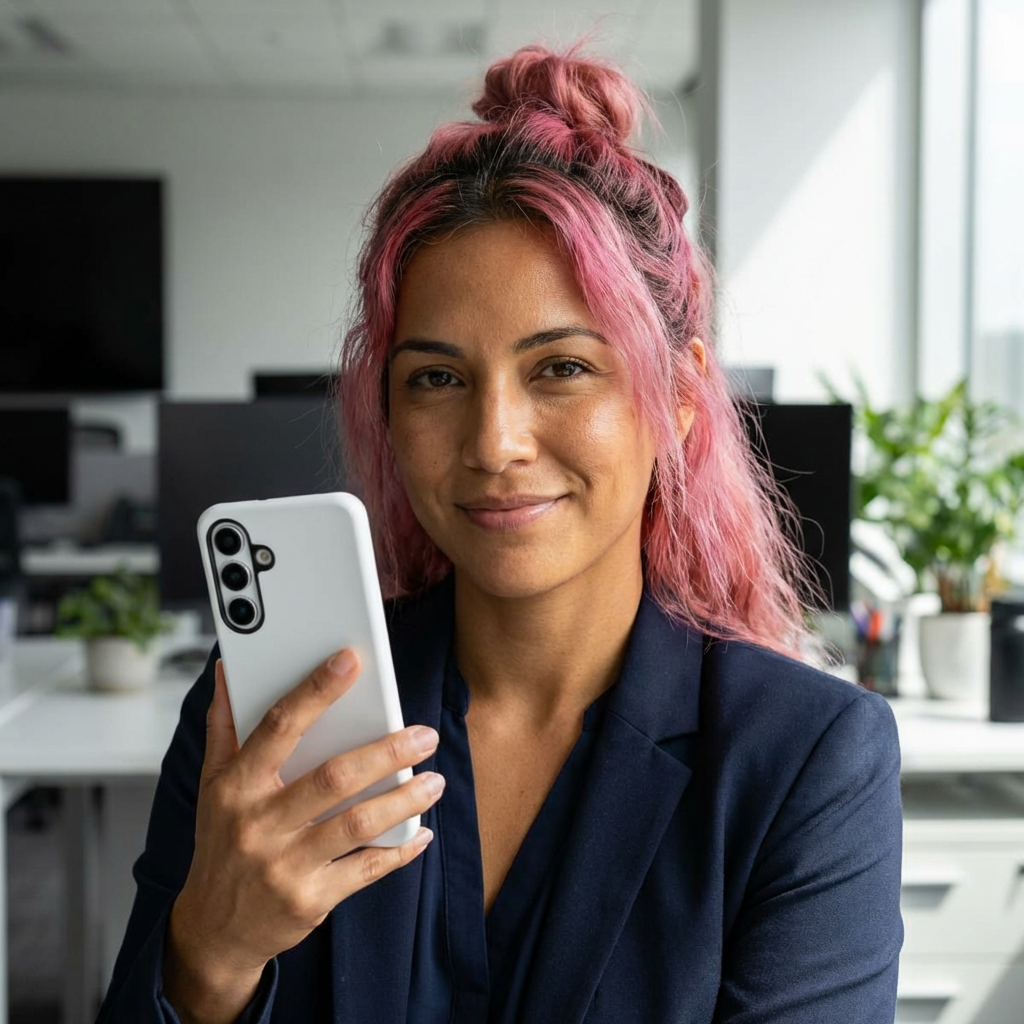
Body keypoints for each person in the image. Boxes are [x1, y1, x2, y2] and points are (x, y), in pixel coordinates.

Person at [98, 44, 902, 1024]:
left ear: (680, 397)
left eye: (560, 367)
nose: (493, 442)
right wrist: (208, 955)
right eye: (436, 377)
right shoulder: (264, 720)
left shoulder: (803, 760)